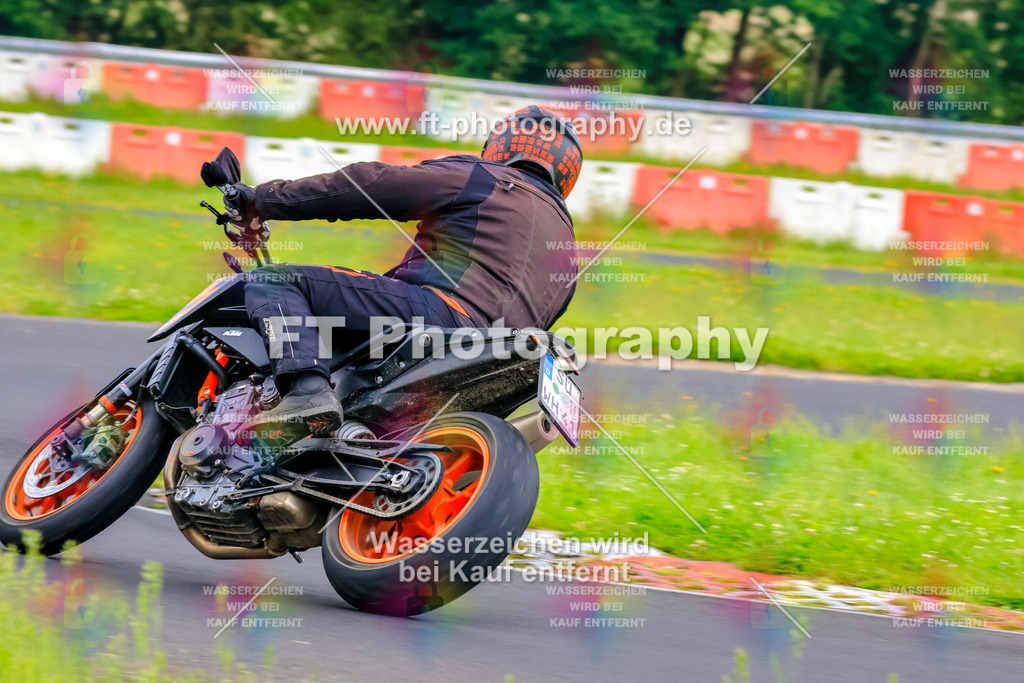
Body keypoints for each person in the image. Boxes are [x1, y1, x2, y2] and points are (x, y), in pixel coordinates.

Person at [222, 105, 583, 444]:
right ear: (567, 175)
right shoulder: (569, 254)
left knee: (272, 281)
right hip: (497, 352)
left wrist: (262, 200)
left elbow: (370, 185)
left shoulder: (483, 178)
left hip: (439, 316)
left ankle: (307, 391)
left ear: (501, 144)